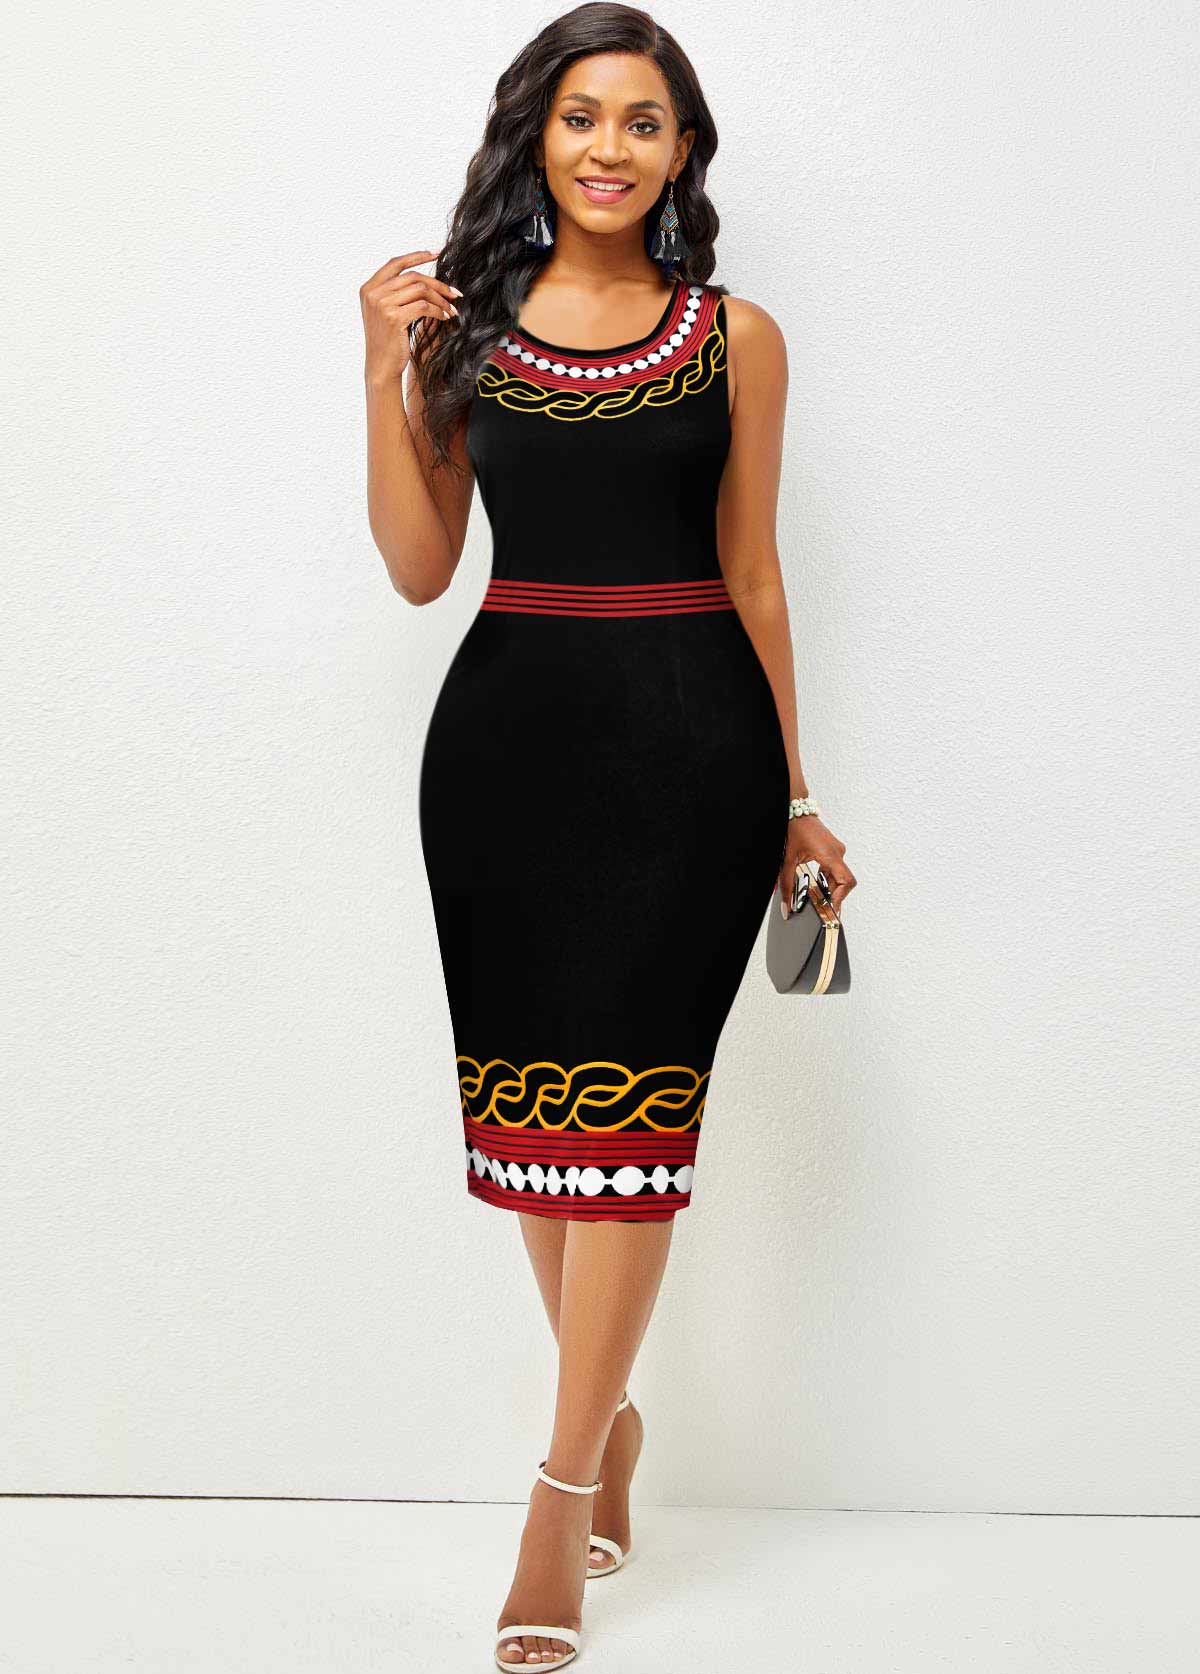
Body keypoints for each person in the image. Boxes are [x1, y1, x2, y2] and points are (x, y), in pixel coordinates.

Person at [360, 4, 856, 1665]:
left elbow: (756, 574)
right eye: (583, 116)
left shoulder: (738, 337)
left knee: (634, 1129)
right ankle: (615, 1417)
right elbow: (420, 568)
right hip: (502, 760)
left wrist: (796, 795)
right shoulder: (467, 334)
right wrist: (381, 368)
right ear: (537, 133)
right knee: (536, 1131)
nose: (610, 148)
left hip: (695, 760)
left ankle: (559, 1488)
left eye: (645, 121)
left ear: (684, 151)